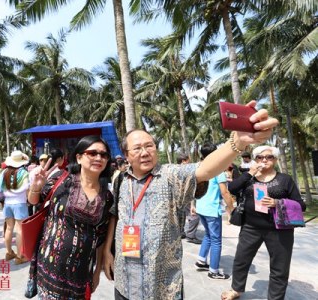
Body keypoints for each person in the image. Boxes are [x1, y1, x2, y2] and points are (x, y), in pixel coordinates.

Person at [103, 102, 278, 299]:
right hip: (125, 280)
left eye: (149, 146)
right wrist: (107, 253)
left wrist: (236, 143)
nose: (145, 152)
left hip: (162, 286)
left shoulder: (171, 175)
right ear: (126, 155)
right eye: (137, 148)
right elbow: (115, 216)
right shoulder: (120, 179)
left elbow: (205, 169)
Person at [27, 135, 114, 299]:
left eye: (104, 155)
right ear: (79, 157)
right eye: (92, 153)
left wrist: (96, 272)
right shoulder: (61, 180)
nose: (98, 158)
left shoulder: (107, 197)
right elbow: (33, 201)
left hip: (80, 274)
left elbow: (100, 236)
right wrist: (35, 188)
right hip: (50, 267)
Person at [221, 146, 306, 300]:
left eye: (269, 157)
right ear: (255, 159)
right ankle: (236, 289)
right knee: (241, 260)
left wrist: (277, 202)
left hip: (280, 230)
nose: (264, 160)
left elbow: (301, 205)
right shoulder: (249, 177)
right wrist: (251, 173)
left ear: (275, 160)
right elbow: (232, 189)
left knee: (280, 267)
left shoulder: (284, 179)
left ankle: (275, 298)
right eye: (260, 157)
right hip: (250, 227)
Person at [194, 143, 234, 279]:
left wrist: (193, 205)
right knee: (216, 240)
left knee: (208, 235)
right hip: (211, 209)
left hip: (201, 207)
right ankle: (214, 271)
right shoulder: (218, 171)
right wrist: (232, 208)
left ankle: (201, 260)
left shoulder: (198, 168)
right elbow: (225, 192)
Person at [0, 150, 30, 265]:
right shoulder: (24, 172)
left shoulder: (4, 172)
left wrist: (5, 195)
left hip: (7, 204)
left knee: (9, 228)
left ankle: (9, 252)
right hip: (20, 203)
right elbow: (26, 186)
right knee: (19, 229)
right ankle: (20, 256)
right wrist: (16, 193)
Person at [176, 154, 202, 244]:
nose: (189, 162)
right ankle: (190, 235)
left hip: (177, 197)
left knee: (181, 215)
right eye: (188, 160)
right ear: (183, 161)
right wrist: (192, 204)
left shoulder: (174, 170)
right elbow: (189, 187)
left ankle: (180, 232)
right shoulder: (186, 171)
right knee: (195, 216)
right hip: (186, 197)